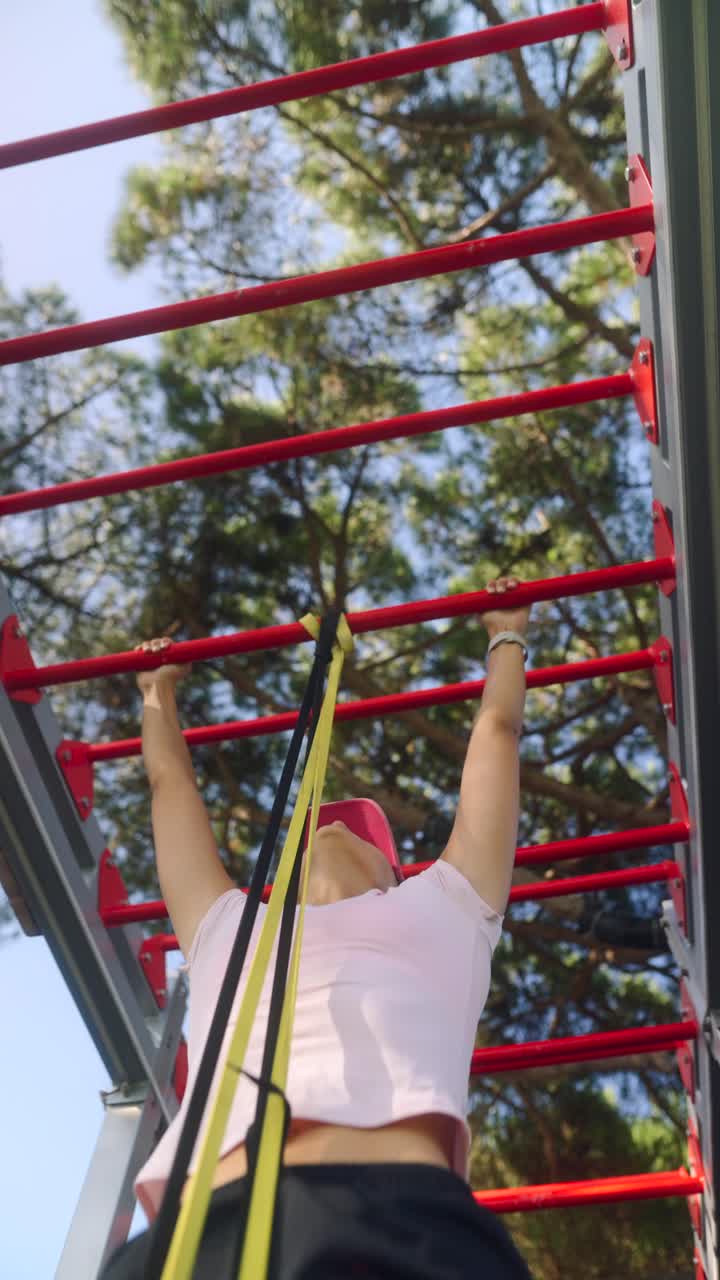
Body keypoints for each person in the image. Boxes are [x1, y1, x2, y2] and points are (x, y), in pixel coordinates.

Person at [101, 578, 533, 1279]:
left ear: (396, 871)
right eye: (318, 829)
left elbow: (498, 733)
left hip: (401, 1217)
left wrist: (506, 634)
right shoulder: (230, 925)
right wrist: (157, 693)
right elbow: (168, 787)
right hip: (204, 1229)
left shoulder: (452, 905)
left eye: (356, 826)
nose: (328, 825)